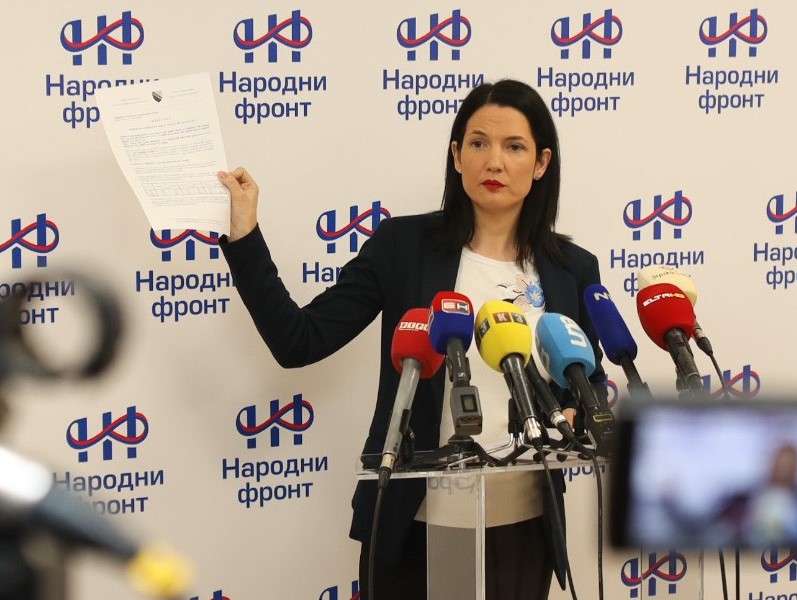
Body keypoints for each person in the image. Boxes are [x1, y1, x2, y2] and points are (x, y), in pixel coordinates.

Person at [216, 79, 607, 600]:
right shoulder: (403, 247)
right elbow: (299, 341)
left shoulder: (572, 269)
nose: (494, 161)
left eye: (514, 147)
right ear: (457, 155)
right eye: (478, 143)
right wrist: (244, 235)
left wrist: (582, 410)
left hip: (523, 530)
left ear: (541, 163)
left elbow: (588, 379)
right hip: (414, 524)